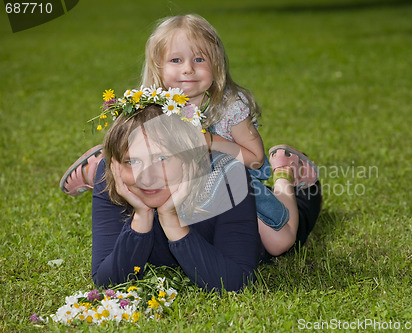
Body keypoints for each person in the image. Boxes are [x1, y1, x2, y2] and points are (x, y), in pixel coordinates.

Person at [60, 14, 319, 256]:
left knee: (280, 243)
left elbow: (254, 159)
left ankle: (284, 173)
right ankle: (104, 171)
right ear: (158, 66)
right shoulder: (151, 105)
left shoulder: (229, 106)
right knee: (144, 200)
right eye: (176, 60)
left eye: (199, 59)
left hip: (230, 181)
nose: (187, 69)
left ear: (216, 63)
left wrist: (209, 142)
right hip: (175, 183)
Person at [90, 88, 322, 292]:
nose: (147, 178)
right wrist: (142, 218)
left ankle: (285, 175)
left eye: (161, 158)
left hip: (249, 209)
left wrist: (172, 222)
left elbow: (235, 283)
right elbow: (108, 280)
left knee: (287, 225)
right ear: (116, 164)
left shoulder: (229, 177)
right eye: (133, 161)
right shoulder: (111, 174)